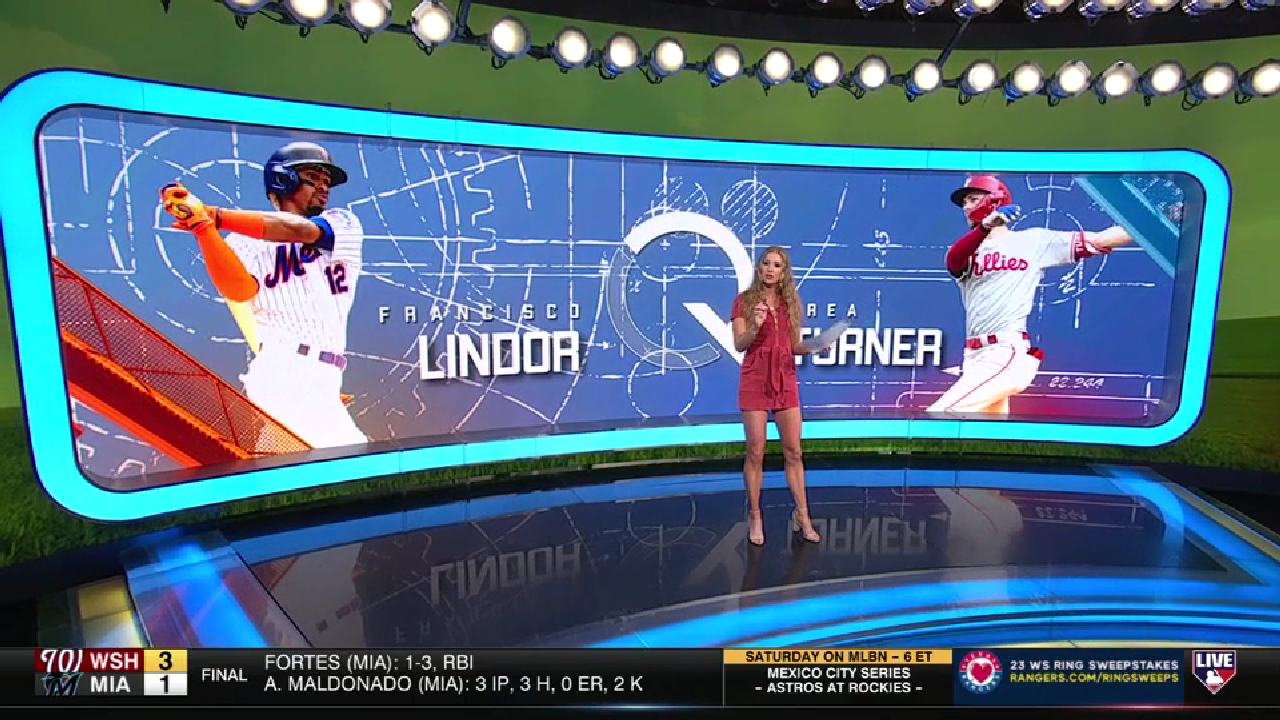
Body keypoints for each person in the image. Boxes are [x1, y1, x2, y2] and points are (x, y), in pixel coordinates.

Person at [159, 141, 368, 450]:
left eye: (327, 182)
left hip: (323, 373)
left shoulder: (343, 222)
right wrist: (203, 227)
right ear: (284, 180)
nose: (323, 187)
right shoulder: (243, 242)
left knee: (284, 460)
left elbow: (299, 231)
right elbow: (238, 290)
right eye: (313, 178)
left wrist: (213, 215)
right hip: (285, 367)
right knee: (351, 456)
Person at [928, 174, 1133, 416]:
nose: (966, 207)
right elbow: (953, 260)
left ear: (995, 201)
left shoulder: (1031, 241)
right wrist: (984, 228)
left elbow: (1100, 240)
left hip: (1005, 351)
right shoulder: (966, 250)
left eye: (973, 199)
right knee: (985, 429)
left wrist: (1150, 227)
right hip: (973, 356)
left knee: (941, 413)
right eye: (964, 202)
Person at [730, 246, 832, 546]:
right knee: (756, 452)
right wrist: (756, 326)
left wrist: (815, 346)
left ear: (784, 271)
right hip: (755, 380)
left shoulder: (790, 304)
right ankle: (755, 515)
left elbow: (793, 346)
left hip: (785, 379)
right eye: (766, 263)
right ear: (759, 268)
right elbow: (739, 344)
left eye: (777, 265)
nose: (770, 269)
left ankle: (803, 515)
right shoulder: (744, 301)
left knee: (794, 452)